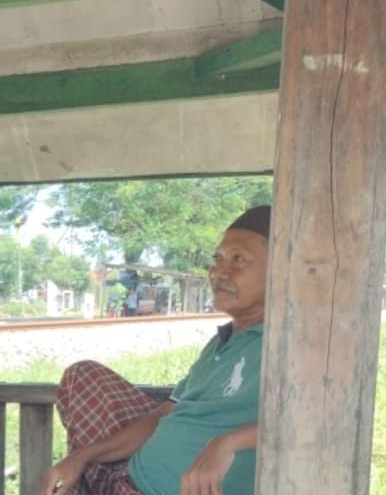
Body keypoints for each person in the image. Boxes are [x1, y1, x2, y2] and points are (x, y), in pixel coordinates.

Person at [42, 206, 272, 495]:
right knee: (83, 375)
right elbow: (165, 413)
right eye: (218, 259)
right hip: (126, 479)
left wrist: (229, 442)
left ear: (279, 269)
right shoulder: (219, 343)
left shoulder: (283, 348)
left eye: (238, 259)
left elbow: (313, 422)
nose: (218, 272)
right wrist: (81, 457)